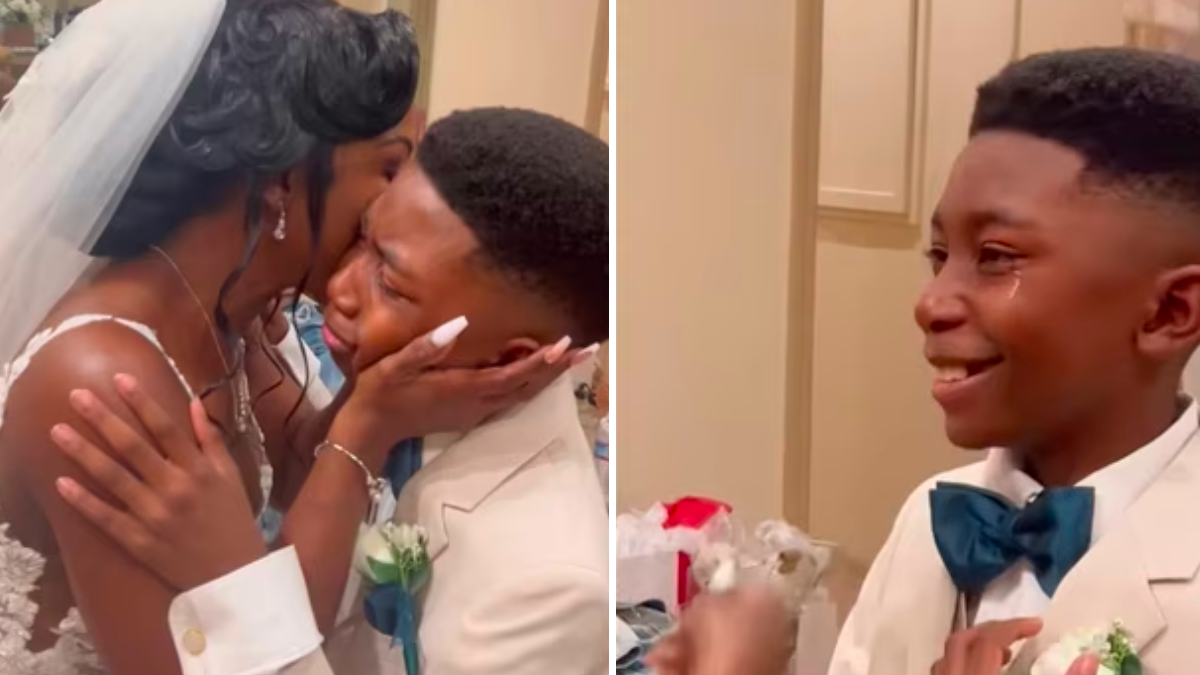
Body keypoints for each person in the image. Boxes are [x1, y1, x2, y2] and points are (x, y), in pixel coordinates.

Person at [0, 2, 580, 674]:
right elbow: (261, 635)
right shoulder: (102, 382)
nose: (394, 207)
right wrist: (365, 426)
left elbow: (304, 479)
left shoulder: (229, 318)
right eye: (388, 170)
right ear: (279, 182)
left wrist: (377, 401)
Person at [651, 47, 1200, 675]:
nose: (930, 302)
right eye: (940, 256)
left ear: (1169, 312)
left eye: (996, 256)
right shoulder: (927, 521)